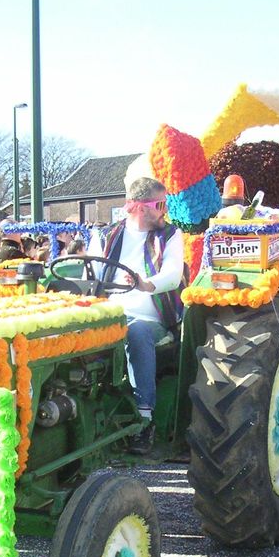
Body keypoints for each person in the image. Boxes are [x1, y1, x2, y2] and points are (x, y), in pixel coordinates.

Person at [88, 176, 184, 454]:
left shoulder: (169, 235)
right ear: (141, 207)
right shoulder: (105, 235)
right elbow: (91, 272)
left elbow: (173, 274)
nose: (164, 210)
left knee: (137, 331)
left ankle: (145, 419)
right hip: (108, 314)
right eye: (160, 204)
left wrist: (146, 284)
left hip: (150, 319)